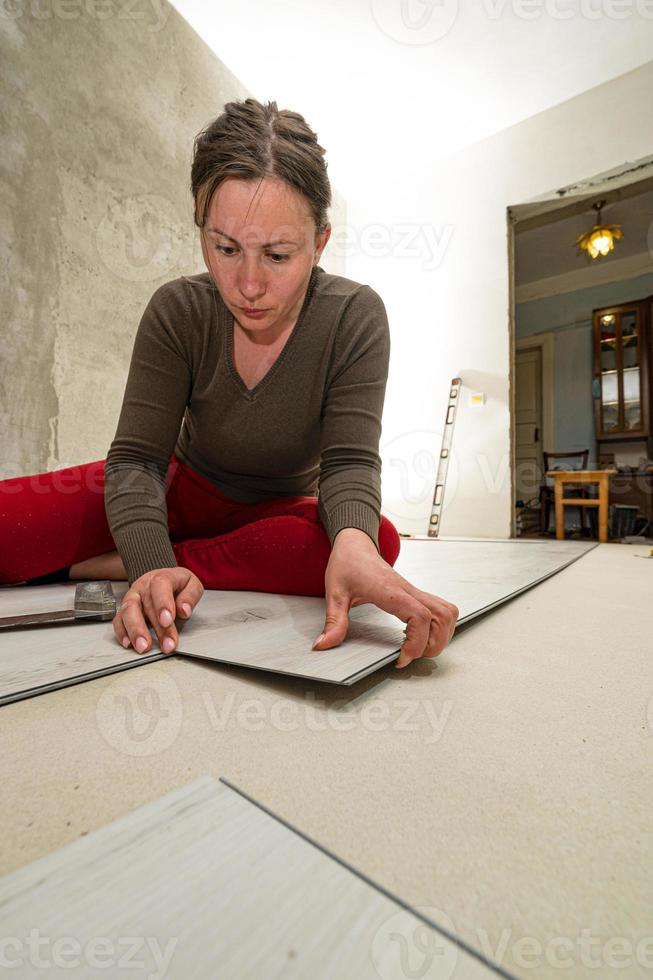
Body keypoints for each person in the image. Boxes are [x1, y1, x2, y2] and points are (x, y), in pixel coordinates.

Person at [1, 98, 458, 669]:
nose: (247, 284)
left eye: (277, 254)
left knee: (372, 543)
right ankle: (153, 556)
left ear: (319, 242)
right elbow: (138, 463)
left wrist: (352, 543)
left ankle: (116, 560)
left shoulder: (354, 316)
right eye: (225, 249)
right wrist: (150, 566)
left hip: (282, 508)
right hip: (176, 489)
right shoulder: (178, 311)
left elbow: (348, 465)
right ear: (201, 233)